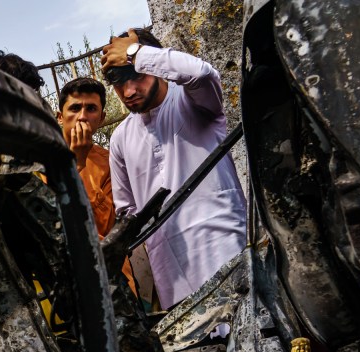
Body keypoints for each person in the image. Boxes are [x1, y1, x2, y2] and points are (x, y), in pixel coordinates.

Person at [101, 28, 246, 309]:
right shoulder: (120, 139)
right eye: (119, 83)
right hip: (172, 276)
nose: (129, 91)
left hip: (224, 251)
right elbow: (127, 213)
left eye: (137, 76)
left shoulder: (192, 101)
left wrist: (134, 53)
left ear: (152, 65)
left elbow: (202, 74)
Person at [56, 77, 136, 294]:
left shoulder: (111, 162)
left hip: (111, 278)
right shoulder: (42, 159)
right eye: (75, 108)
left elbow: (108, 228)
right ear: (60, 117)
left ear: (101, 118)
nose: (82, 116)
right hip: (63, 282)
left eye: (91, 109)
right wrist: (76, 162)